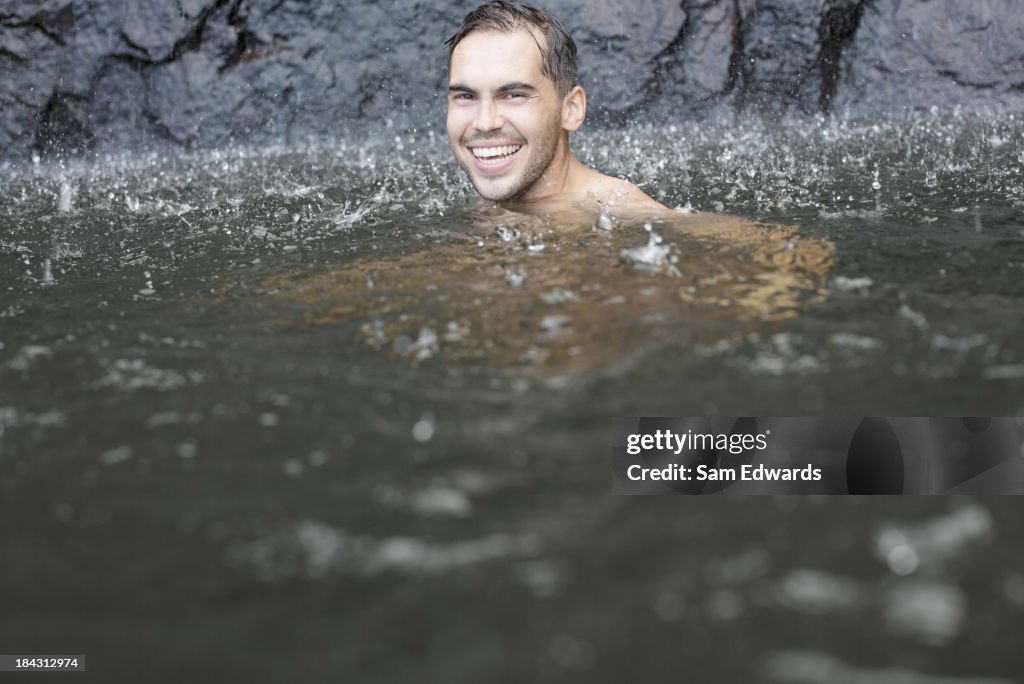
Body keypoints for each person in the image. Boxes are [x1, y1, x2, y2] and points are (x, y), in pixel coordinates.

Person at [445, 1, 666, 212]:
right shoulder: (479, 209)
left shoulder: (630, 216)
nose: (485, 123)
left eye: (513, 95)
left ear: (571, 109)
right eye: (466, 96)